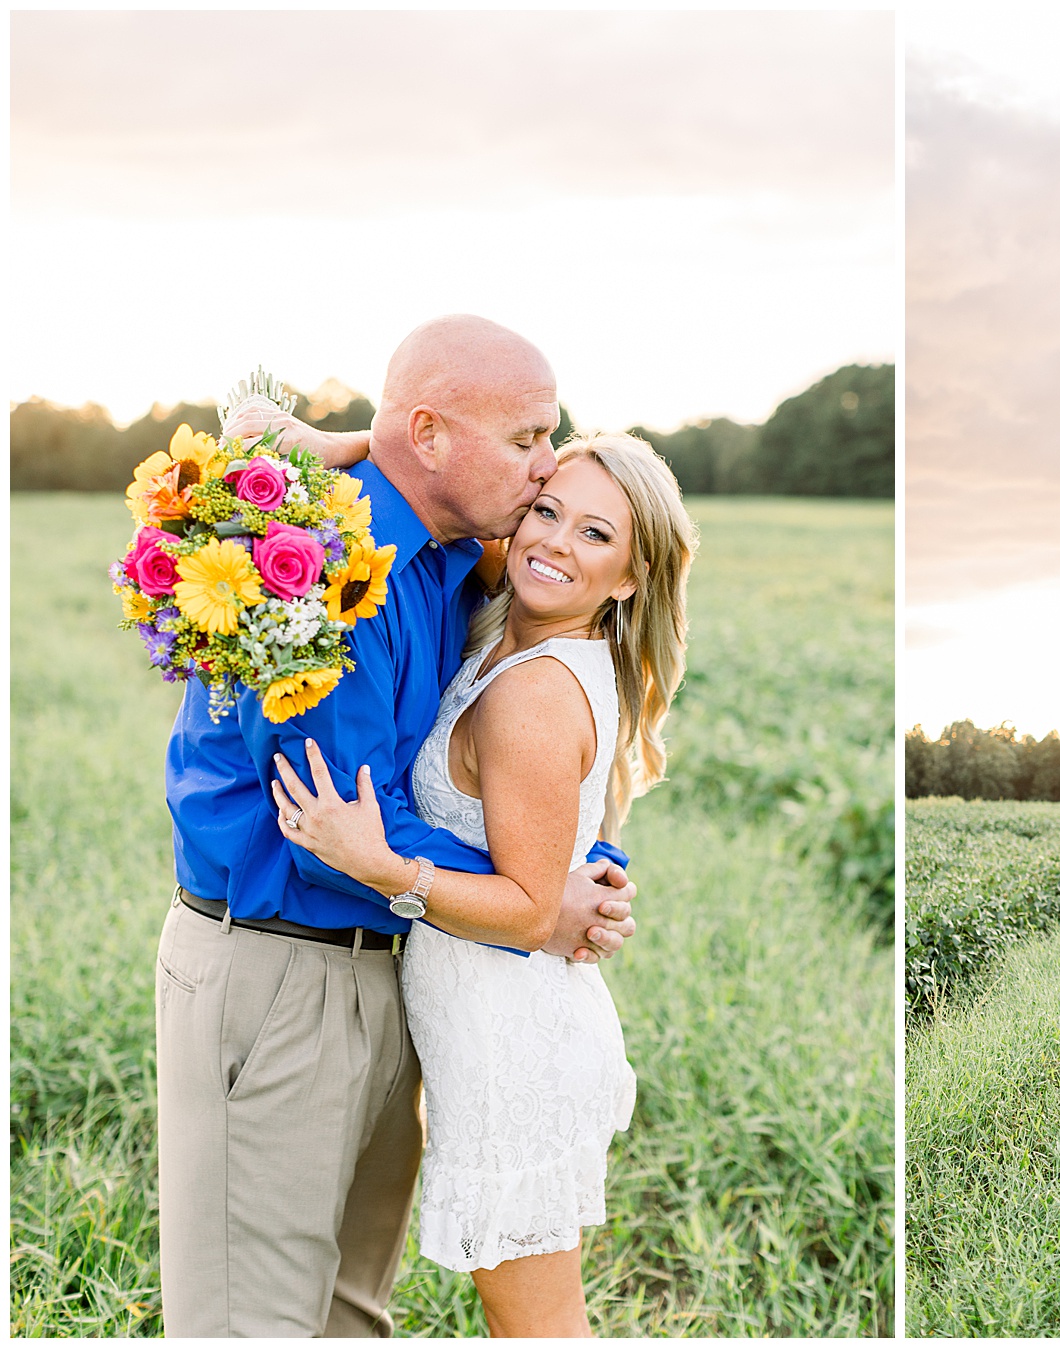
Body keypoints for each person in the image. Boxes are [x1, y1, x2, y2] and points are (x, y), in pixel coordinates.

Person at [156, 316, 639, 1337]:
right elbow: (342, 817)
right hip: (279, 966)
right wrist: (531, 896)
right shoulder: (317, 573)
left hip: (395, 968)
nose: (546, 464)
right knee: (253, 1321)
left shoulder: (453, 551)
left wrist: (558, 869)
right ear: (427, 436)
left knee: (347, 1312)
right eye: (527, 439)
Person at [271, 433, 695, 1335]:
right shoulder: (519, 624)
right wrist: (332, 444)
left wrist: (385, 867)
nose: (553, 543)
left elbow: (531, 909)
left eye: (595, 535)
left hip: (515, 1046)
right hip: (488, 1031)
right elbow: (443, 496)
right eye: (547, 511)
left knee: (539, 1328)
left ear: (629, 576)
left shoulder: (534, 693)